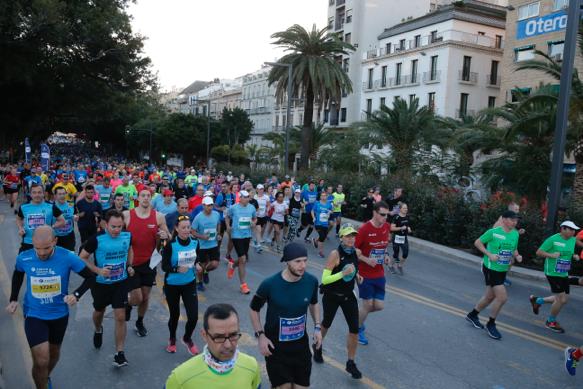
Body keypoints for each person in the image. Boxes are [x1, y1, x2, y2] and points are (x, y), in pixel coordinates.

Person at [6, 226, 95, 389]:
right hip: (34, 314)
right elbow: (18, 273)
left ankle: (45, 377)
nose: (41, 253)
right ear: (32, 243)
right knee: (41, 359)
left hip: (59, 314)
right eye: (37, 248)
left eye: (46, 248)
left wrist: (76, 295)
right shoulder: (24, 257)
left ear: (55, 241)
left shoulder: (68, 257)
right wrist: (13, 298)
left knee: (53, 355)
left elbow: (90, 277)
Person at [250, 242, 322, 389]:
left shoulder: (311, 281)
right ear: (287, 261)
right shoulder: (269, 284)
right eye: (298, 261)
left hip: (300, 347)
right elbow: (253, 309)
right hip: (276, 348)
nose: (303, 265)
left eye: (305, 260)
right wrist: (261, 336)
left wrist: (317, 327)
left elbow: (314, 304)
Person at [79, 209, 134, 367]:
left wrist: (129, 265)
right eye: (113, 227)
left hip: (120, 282)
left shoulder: (127, 236)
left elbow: (130, 250)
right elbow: (82, 258)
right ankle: (98, 329)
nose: (117, 230)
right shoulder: (97, 239)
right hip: (101, 284)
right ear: (105, 225)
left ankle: (119, 353)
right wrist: (97, 271)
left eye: (119, 226)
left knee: (120, 316)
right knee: (99, 312)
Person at [165, 304, 261, 388]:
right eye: (218, 337)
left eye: (233, 335)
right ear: (204, 335)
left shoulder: (251, 366)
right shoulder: (181, 378)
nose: (228, 345)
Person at [313, 224, 363, 379]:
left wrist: (357, 276)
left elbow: (354, 269)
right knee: (326, 323)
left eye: (353, 236)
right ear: (341, 237)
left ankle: (350, 362)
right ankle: (317, 346)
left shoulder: (356, 252)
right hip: (332, 295)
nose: (351, 239)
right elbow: (325, 279)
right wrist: (342, 273)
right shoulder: (335, 254)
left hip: (348, 295)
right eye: (348, 236)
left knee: (354, 329)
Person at [465, 210, 522, 340]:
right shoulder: (494, 232)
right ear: (504, 219)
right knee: (502, 298)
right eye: (512, 219)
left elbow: (513, 248)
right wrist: (489, 254)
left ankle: (472, 315)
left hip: (502, 269)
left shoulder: (515, 234)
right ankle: (491, 324)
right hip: (491, 268)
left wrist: (517, 255)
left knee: (490, 296)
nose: (515, 222)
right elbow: (478, 242)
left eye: (516, 220)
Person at [124, 189, 170, 336]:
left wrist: (165, 236)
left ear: (151, 198)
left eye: (148, 196)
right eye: (142, 195)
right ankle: (129, 305)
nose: (145, 198)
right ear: (138, 198)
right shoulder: (127, 215)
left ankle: (139, 321)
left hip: (149, 263)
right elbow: (116, 234)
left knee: (145, 297)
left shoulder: (158, 217)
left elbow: (168, 236)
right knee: (137, 297)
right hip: (131, 263)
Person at [529, 221, 580, 333]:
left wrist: (574, 255)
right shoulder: (552, 239)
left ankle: (538, 301)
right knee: (561, 299)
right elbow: (539, 252)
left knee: (564, 300)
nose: (573, 232)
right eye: (571, 229)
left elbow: (569, 252)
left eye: (574, 230)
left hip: (564, 272)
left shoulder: (572, 240)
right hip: (553, 272)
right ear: (563, 229)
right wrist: (551, 255)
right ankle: (550, 321)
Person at [161, 215, 201, 355]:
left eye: (188, 227)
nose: (186, 230)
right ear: (176, 229)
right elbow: (164, 266)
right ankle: (172, 338)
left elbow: (197, 258)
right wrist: (176, 269)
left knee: (193, 316)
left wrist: (197, 265)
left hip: (189, 283)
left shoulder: (195, 242)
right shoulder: (171, 245)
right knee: (175, 315)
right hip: (172, 285)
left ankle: (187, 338)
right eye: (183, 228)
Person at [354, 201, 391, 345]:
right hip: (364, 274)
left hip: (379, 274)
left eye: (387, 215)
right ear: (374, 213)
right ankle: (356, 329)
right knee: (368, 304)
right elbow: (353, 251)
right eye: (382, 214)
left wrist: (386, 255)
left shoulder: (386, 227)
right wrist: (365, 259)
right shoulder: (364, 229)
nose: (385, 218)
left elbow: (384, 245)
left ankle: (357, 318)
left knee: (379, 306)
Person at [16, 183, 66, 253]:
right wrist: (20, 228)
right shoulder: (23, 207)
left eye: (39, 192)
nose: (37, 195)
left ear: (43, 193)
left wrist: (51, 227)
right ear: (30, 194)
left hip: (46, 243)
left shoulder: (51, 206)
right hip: (28, 242)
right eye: (34, 192)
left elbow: (62, 221)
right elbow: (19, 218)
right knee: (21, 263)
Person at [225, 190, 256, 294]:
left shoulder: (252, 207)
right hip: (236, 235)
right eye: (245, 197)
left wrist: (253, 223)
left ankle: (232, 265)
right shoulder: (233, 207)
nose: (247, 199)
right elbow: (227, 216)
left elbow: (255, 219)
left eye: (248, 197)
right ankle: (243, 285)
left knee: (242, 259)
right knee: (243, 259)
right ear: (240, 198)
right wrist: (228, 226)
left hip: (247, 235)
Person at [191, 196, 222, 291]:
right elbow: (192, 231)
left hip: (213, 244)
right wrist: (202, 236)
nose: (210, 207)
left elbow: (218, 224)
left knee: (215, 264)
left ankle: (206, 271)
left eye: (211, 205)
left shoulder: (216, 214)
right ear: (203, 205)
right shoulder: (198, 217)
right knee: (201, 265)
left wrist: (218, 234)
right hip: (202, 246)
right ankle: (199, 282)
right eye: (208, 205)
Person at [389, 203, 412, 275]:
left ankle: (400, 266)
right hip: (396, 237)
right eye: (404, 208)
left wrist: (408, 228)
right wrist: (401, 228)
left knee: (405, 253)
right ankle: (390, 265)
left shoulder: (407, 217)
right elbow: (392, 228)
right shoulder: (396, 217)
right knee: (396, 254)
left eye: (406, 208)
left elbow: (407, 226)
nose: (406, 209)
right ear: (400, 209)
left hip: (403, 237)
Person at [53, 186, 78, 251]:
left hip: (69, 236)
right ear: (55, 196)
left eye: (64, 194)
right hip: (57, 237)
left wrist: (76, 217)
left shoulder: (71, 204)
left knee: (70, 254)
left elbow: (75, 214)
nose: (62, 196)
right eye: (60, 194)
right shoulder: (51, 206)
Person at [311, 191, 333, 258]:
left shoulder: (329, 204)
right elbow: (312, 211)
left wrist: (330, 212)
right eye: (322, 196)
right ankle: (320, 252)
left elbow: (331, 211)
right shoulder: (317, 203)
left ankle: (315, 240)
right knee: (322, 237)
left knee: (323, 236)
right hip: (318, 223)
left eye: (325, 196)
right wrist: (313, 217)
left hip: (325, 224)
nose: (323, 197)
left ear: (327, 197)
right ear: (320, 197)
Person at [254, 184, 270, 251]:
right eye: (260, 189)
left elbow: (269, 205)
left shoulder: (266, 197)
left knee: (262, 229)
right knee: (259, 229)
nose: (261, 190)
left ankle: (257, 240)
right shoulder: (254, 197)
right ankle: (258, 245)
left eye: (262, 189)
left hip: (263, 215)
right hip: (256, 216)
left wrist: (267, 210)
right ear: (257, 190)